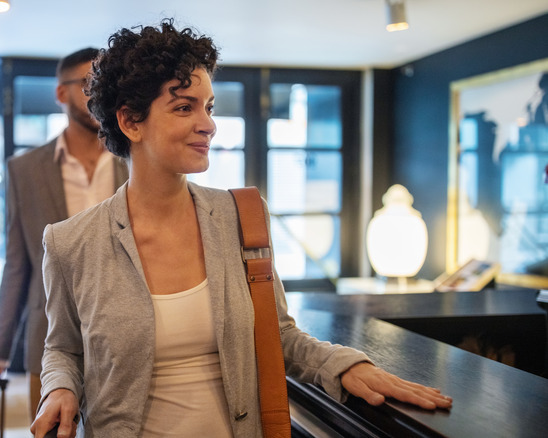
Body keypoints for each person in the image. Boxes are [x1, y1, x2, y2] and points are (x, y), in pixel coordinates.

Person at [31, 20, 452, 438]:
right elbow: (63, 348)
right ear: (130, 122)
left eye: (209, 106)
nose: (208, 124)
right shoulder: (71, 242)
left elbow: (278, 334)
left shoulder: (241, 216)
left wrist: (344, 363)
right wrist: (60, 388)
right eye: (184, 107)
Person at [0, 48, 129, 421]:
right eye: (89, 84)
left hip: (128, 338)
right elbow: (17, 266)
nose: (98, 94)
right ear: (61, 94)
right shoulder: (25, 170)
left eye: (107, 85)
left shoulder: (136, 160)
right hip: (51, 340)